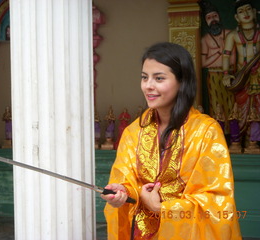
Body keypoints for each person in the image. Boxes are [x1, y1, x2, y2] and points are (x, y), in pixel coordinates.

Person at [101, 42, 241, 239]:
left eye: (159, 78)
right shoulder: (134, 131)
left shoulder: (206, 132)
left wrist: (163, 208)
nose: (148, 86)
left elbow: (216, 200)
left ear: (182, 81)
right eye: (144, 77)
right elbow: (127, 179)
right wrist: (121, 193)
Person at [222, 0, 260, 149]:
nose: (245, 13)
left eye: (248, 9)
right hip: (242, 79)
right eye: (241, 11)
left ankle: (254, 142)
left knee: (257, 109)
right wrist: (226, 74)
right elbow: (226, 56)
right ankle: (238, 141)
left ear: (254, 12)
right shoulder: (233, 36)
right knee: (240, 109)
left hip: (258, 77)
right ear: (236, 18)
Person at [200, 0, 235, 127]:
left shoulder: (231, 34)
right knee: (217, 105)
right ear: (206, 21)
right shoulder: (205, 40)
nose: (213, 20)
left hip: (232, 74)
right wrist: (219, 52)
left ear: (219, 17)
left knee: (232, 104)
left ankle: (234, 135)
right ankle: (219, 133)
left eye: (214, 16)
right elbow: (203, 63)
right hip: (214, 76)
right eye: (209, 18)